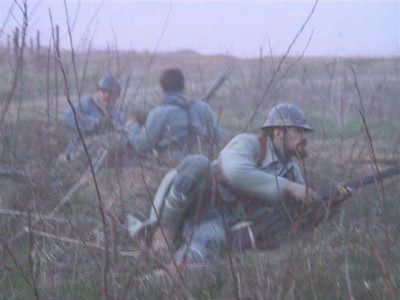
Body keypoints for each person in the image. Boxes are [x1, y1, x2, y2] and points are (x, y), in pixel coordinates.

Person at [143, 101, 351, 267]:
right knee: (198, 163)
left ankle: (172, 271)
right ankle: (165, 232)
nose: (305, 137)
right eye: (299, 131)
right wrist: (288, 186)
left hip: (222, 219)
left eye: (305, 133)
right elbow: (235, 172)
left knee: (206, 245)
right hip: (198, 197)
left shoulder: (292, 171)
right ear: (278, 132)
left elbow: (300, 214)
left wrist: (331, 202)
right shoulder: (249, 143)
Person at [125, 68, 222, 164]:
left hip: (170, 166)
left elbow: (142, 145)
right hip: (202, 163)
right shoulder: (203, 107)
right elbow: (217, 137)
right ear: (183, 86)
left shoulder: (158, 113)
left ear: (162, 87)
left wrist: (131, 125)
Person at [59, 74, 126, 164]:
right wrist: (95, 123)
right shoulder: (86, 103)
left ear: (117, 96)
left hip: (102, 152)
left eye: (111, 93)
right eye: (104, 91)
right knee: (108, 142)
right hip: (79, 148)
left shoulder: (118, 112)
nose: (107, 96)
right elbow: (65, 117)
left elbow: (121, 131)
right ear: (98, 92)